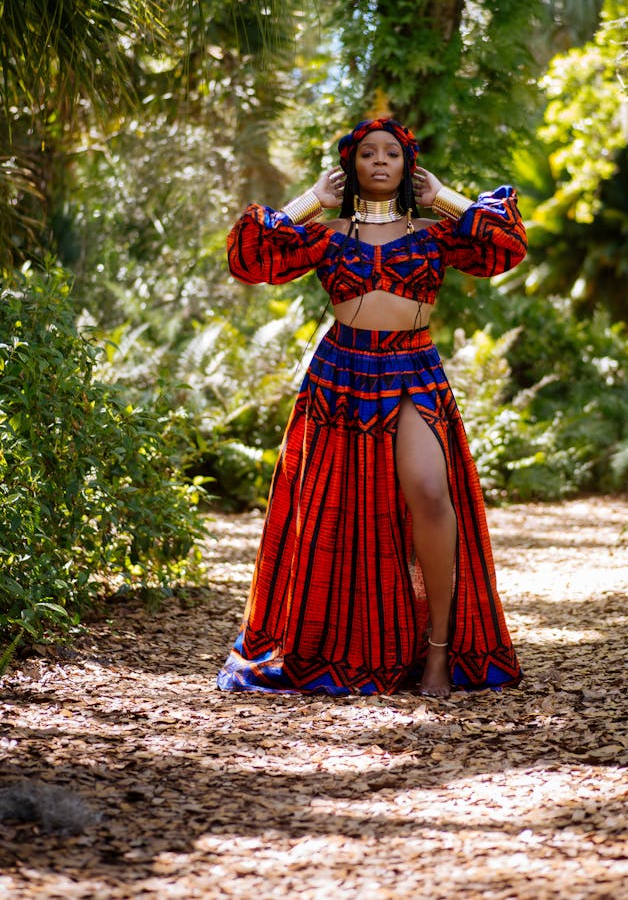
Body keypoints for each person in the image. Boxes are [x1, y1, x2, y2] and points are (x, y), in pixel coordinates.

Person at [217, 117, 527, 698]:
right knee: (341, 514)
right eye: (367, 154)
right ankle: (348, 648)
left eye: (392, 153)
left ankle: (439, 653)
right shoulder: (328, 234)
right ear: (351, 166)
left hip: (413, 369)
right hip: (341, 377)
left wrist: (446, 200)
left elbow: (506, 244)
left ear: (409, 167)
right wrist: (312, 199)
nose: (380, 161)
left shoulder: (436, 234)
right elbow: (249, 258)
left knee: (431, 495)